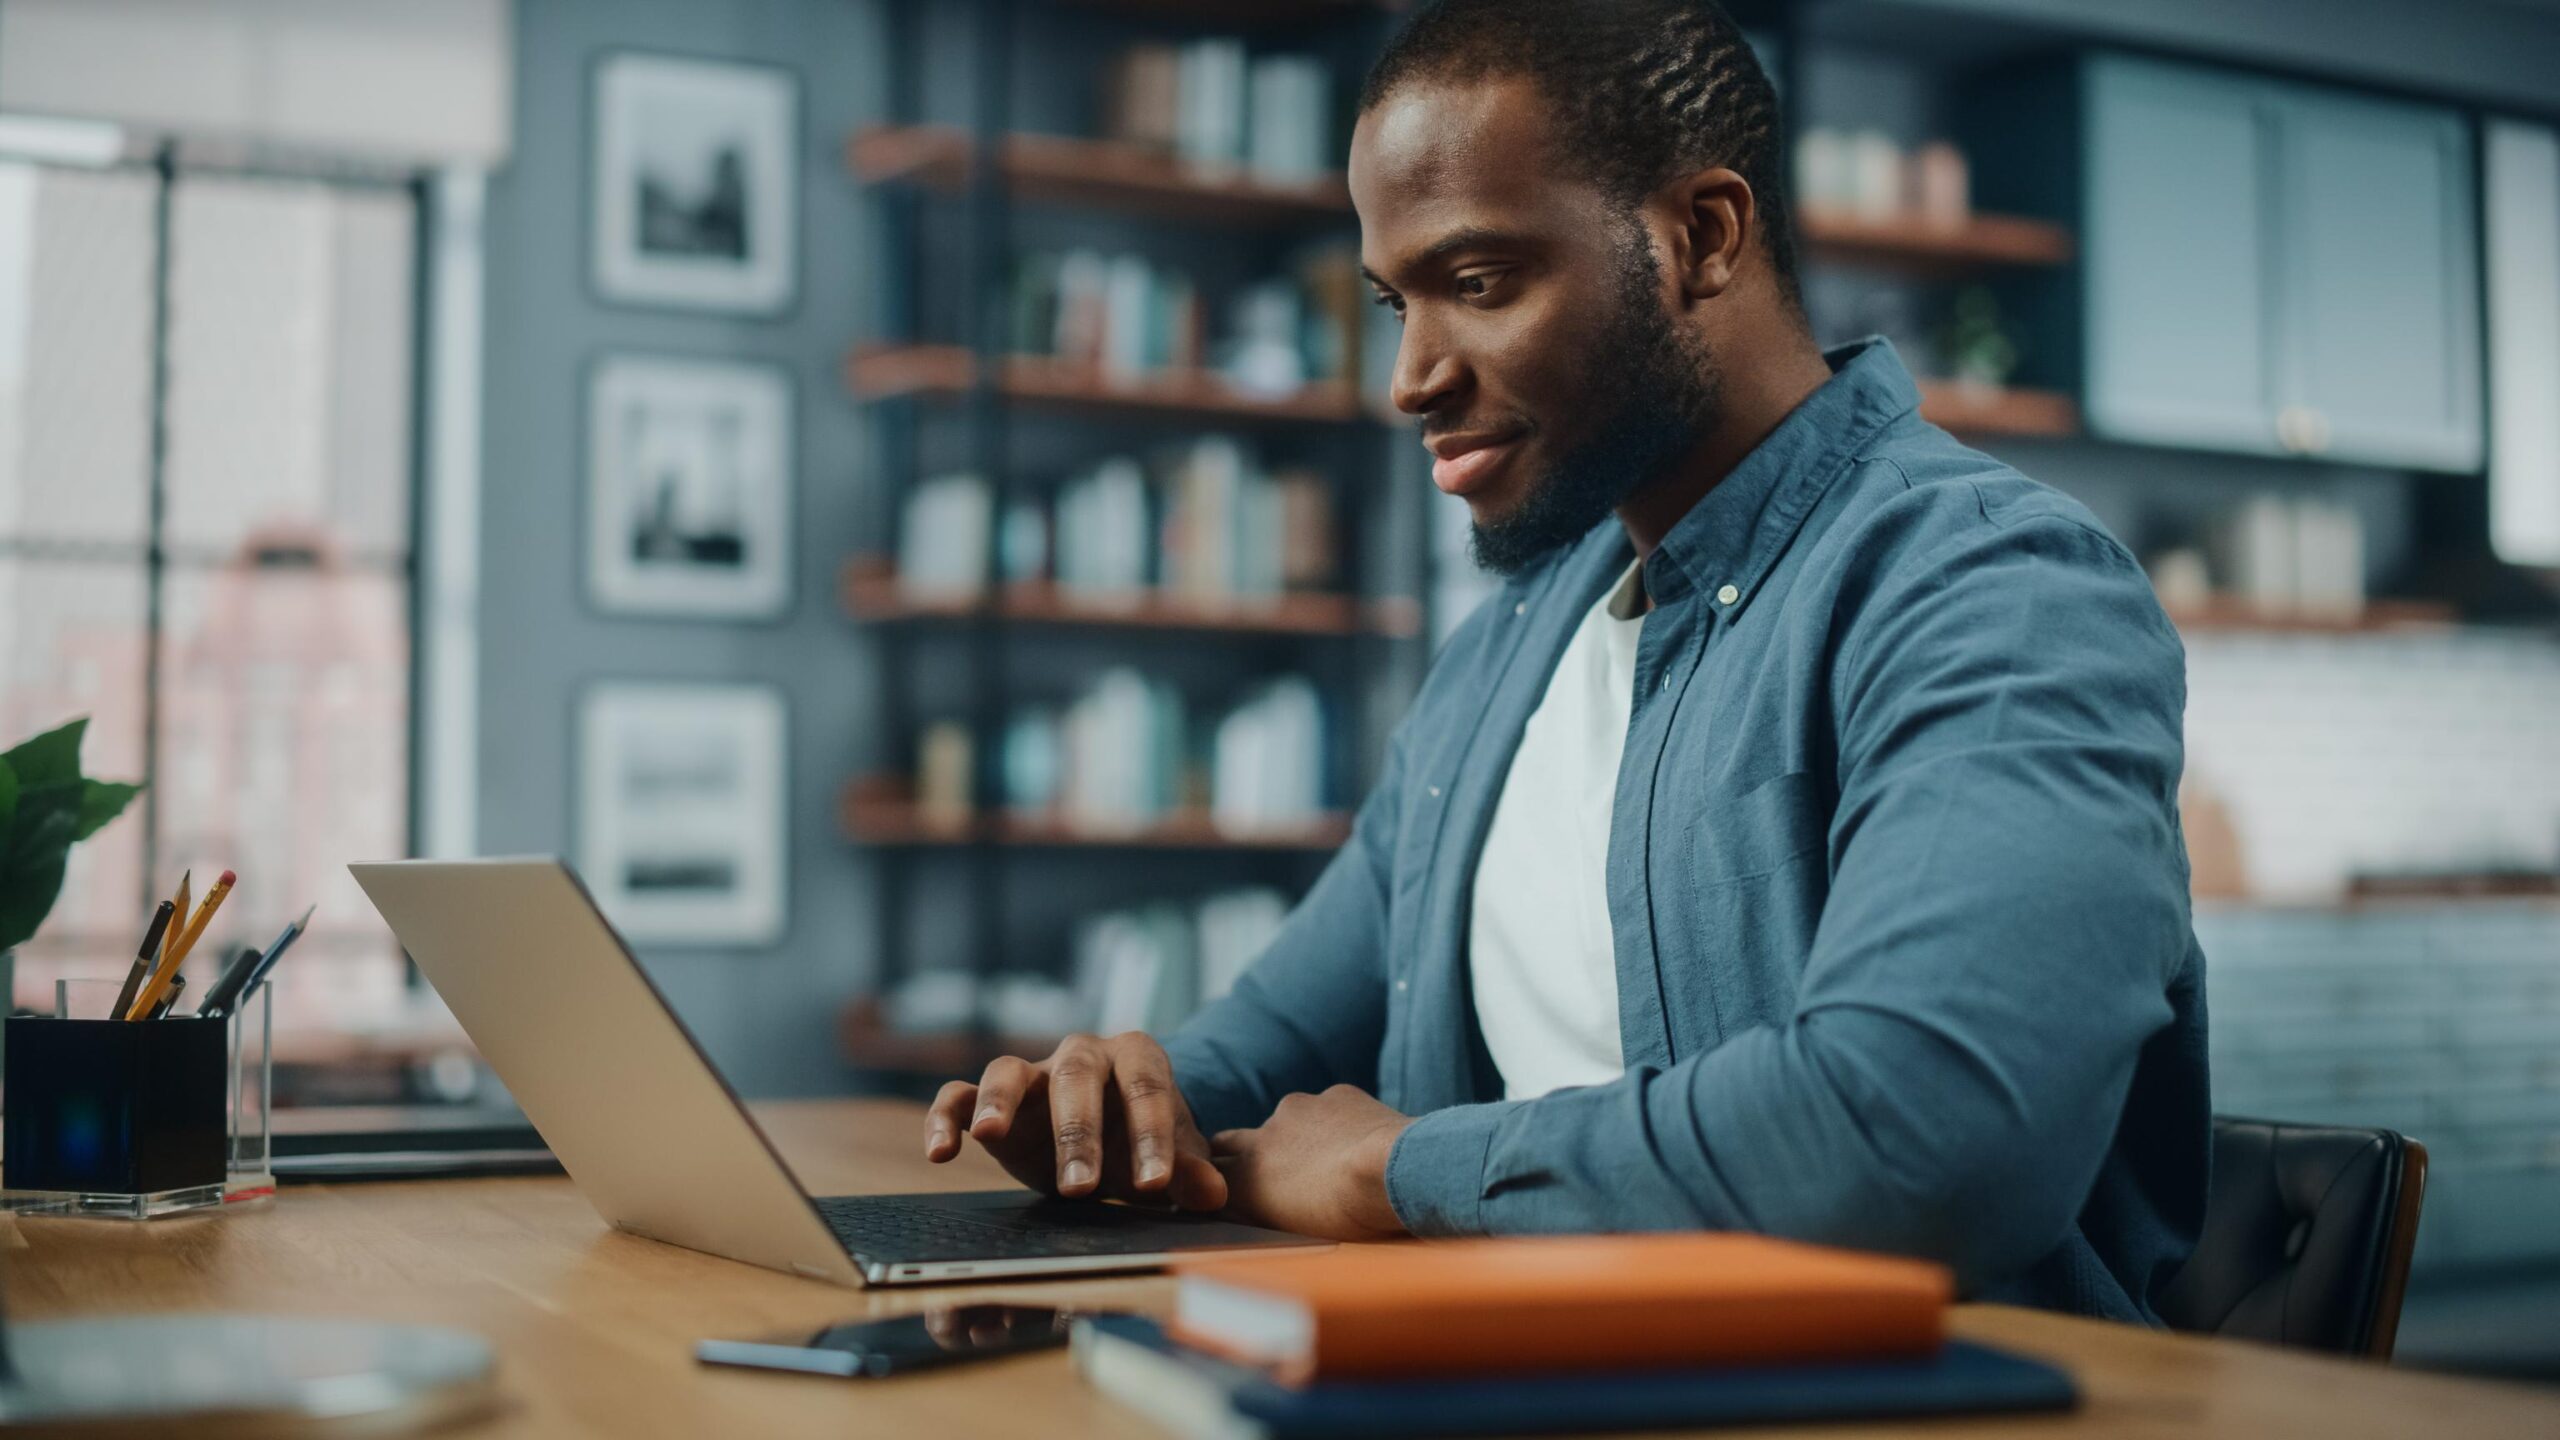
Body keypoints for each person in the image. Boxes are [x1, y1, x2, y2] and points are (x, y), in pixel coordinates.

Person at [924, 0, 2208, 1323]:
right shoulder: (1509, 653)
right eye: (1392, 300)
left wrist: (1401, 1170)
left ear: (1701, 238)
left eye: (1477, 284)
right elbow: (1271, 1053)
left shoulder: (1993, 591)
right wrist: (1125, 1113)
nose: (1411, 374)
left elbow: (1928, 1142)